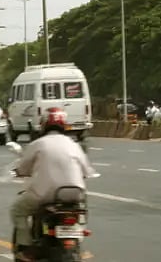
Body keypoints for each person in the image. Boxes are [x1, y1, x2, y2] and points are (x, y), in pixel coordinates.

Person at [9, 108, 96, 261]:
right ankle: (78, 238)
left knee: (17, 211)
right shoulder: (73, 145)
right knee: (80, 211)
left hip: (44, 194)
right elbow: (87, 171)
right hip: (74, 195)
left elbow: (23, 168)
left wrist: (19, 172)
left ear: (44, 126)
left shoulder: (38, 144)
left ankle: (26, 248)